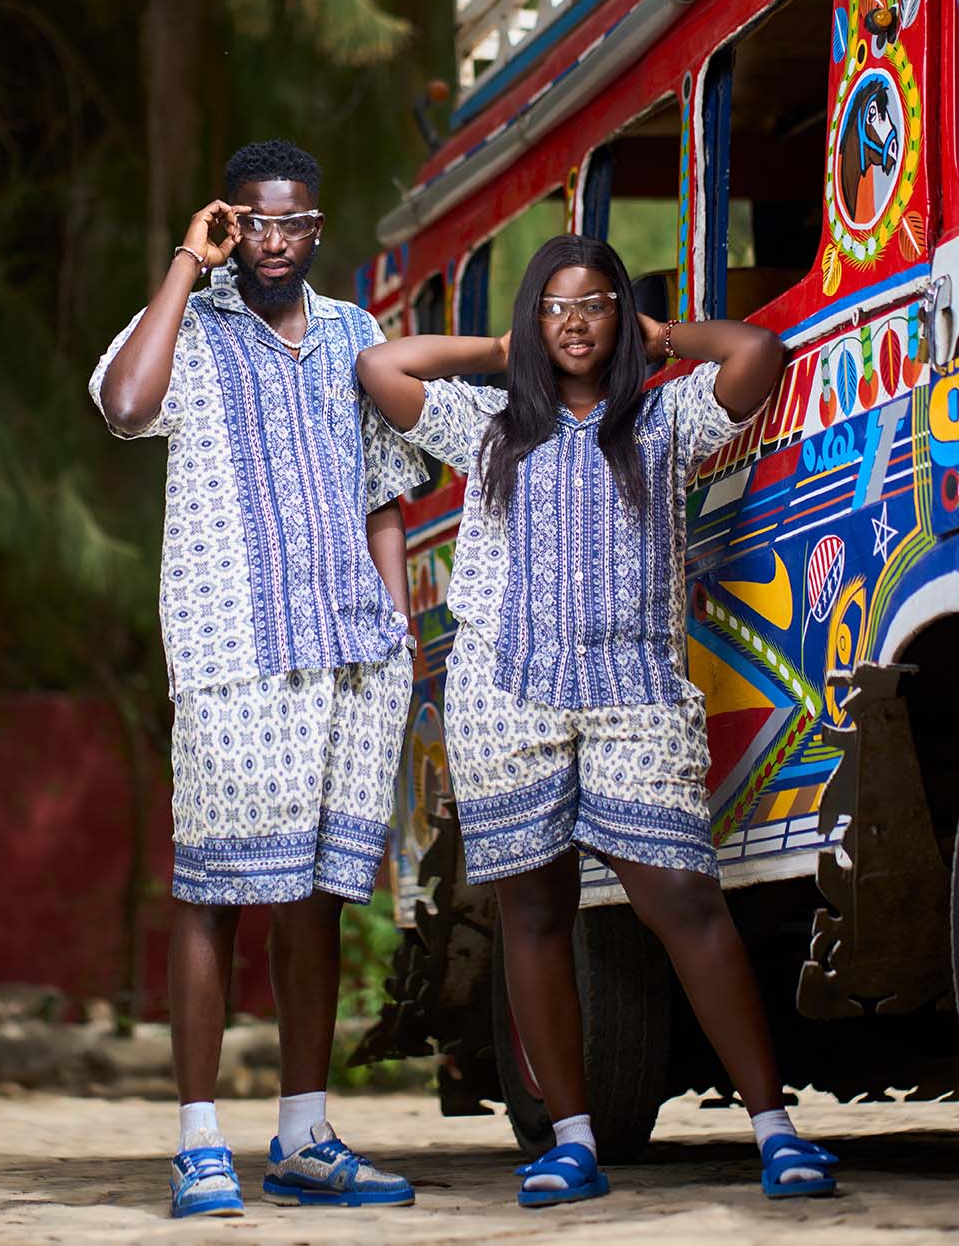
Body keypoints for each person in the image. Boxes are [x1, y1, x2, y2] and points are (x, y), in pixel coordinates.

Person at [356, 233, 839, 1208]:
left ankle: (775, 1131)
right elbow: (380, 366)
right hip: (506, 696)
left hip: (635, 694)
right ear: (533, 321)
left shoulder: (664, 419)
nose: (574, 323)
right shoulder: (490, 424)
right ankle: (571, 1144)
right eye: (555, 308)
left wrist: (663, 337)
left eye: (594, 304)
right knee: (535, 915)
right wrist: (501, 351)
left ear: (621, 313)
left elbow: (757, 353)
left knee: (684, 901)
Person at [89, 140, 426, 1217]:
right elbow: (126, 405)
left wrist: (395, 624)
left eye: (294, 223)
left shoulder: (355, 333)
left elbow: (383, 491)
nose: (275, 242)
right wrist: (187, 262)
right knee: (212, 893)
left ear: (316, 227)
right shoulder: (188, 327)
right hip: (232, 654)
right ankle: (199, 1145)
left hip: (349, 653)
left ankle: (303, 1136)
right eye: (255, 222)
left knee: (318, 896)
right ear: (231, 221)